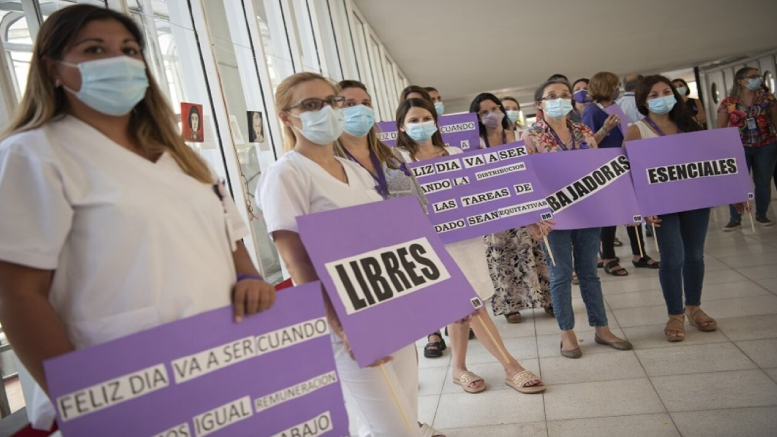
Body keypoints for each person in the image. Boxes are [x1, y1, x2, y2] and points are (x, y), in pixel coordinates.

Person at [0, 5, 276, 431]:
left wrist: (251, 279)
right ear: (53, 68)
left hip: (223, 357)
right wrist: (85, 399)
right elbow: (17, 294)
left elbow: (230, 240)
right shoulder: (33, 155)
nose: (119, 60)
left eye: (130, 49)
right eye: (95, 49)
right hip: (124, 378)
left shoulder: (184, 159)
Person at [257, 73, 428, 437]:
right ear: (286, 117)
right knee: (393, 430)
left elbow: (384, 241)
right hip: (344, 320)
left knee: (406, 417)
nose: (327, 111)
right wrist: (342, 327)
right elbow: (296, 262)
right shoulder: (286, 173)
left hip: (387, 307)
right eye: (310, 105)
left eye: (331, 102)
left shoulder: (352, 169)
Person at [395, 97, 545, 395]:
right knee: (471, 304)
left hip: (466, 241)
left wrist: (528, 215)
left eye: (426, 117)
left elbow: (485, 195)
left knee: (462, 307)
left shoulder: (454, 153)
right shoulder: (398, 162)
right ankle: (510, 366)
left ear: (435, 121)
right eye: (413, 120)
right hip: (429, 247)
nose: (421, 124)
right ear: (401, 126)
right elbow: (398, 208)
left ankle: (459, 368)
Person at [523, 78, 632, 359]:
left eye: (564, 95)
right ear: (539, 104)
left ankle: (602, 328)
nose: (559, 99)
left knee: (589, 273)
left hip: (588, 211)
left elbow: (599, 171)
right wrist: (533, 218)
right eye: (551, 96)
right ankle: (567, 334)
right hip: (553, 217)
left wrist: (618, 207)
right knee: (560, 274)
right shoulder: (530, 136)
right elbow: (525, 182)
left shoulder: (583, 131)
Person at [627, 75, 718, 342]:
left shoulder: (690, 126)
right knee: (673, 257)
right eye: (653, 95)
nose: (661, 98)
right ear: (643, 101)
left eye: (666, 92)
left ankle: (694, 307)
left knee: (694, 255)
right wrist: (640, 207)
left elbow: (710, 161)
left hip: (696, 201)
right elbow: (629, 173)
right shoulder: (637, 130)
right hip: (661, 206)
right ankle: (675, 314)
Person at [469, 93, 552, 323]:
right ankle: (509, 305)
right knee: (500, 255)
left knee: (534, 252)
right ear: (476, 117)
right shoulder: (474, 143)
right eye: (485, 112)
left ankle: (548, 299)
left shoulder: (517, 136)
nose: (492, 114)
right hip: (492, 206)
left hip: (522, 201)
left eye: (495, 108)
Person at [583, 72, 658, 277]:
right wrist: (606, 129)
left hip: (625, 162)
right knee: (611, 214)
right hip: (606, 167)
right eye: (615, 85)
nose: (618, 89)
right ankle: (608, 257)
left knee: (632, 210)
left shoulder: (614, 107)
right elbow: (587, 144)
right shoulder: (592, 112)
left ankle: (639, 253)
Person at [717, 66, 777, 229]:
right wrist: (722, 149)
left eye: (758, 76)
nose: (757, 79)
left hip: (766, 144)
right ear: (740, 81)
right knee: (736, 182)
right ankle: (735, 217)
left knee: (763, 181)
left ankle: (762, 214)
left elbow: (775, 120)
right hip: (738, 146)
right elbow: (721, 128)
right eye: (752, 77)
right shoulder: (728, 103)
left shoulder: (767, 98)